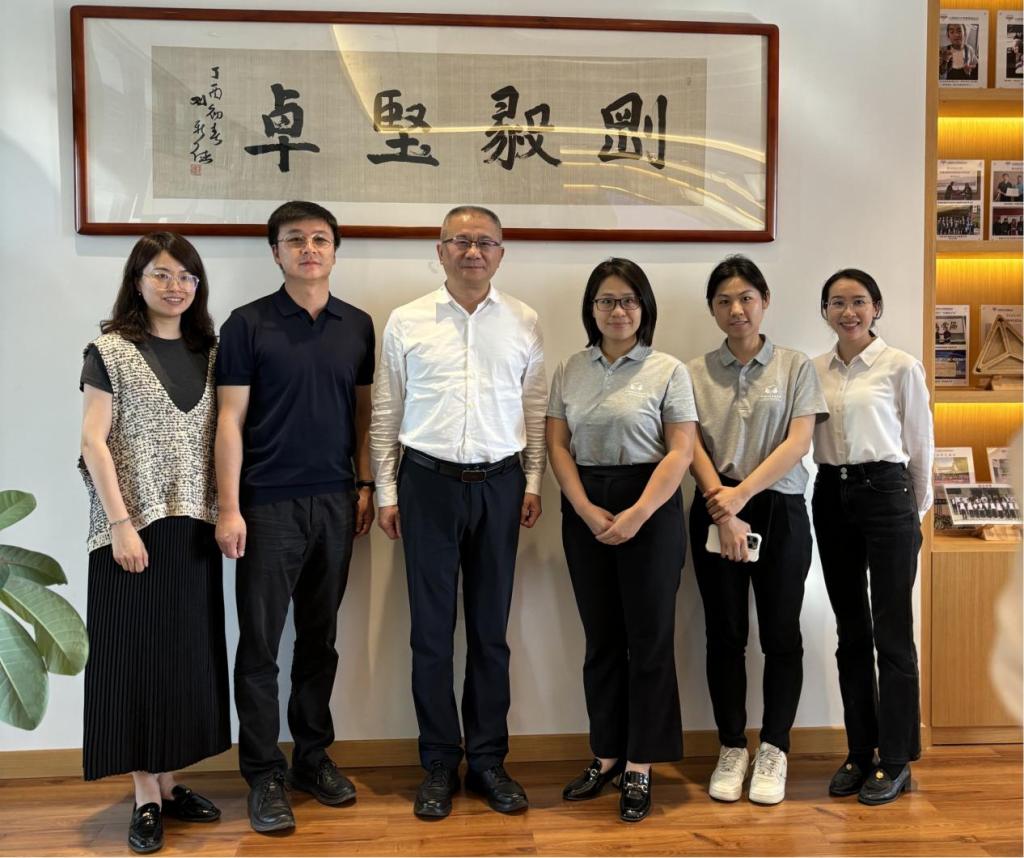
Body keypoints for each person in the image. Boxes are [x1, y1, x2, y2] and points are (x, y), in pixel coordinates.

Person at [370, 205, 546, 820]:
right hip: (427, 484)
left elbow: (534, 408)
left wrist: (532, 481)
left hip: (501, 484)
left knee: (490, 632)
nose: (473, 252)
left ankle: (490, 761)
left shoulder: (523, 320)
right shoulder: (407, 320)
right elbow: (387, 409)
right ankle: (440, 762)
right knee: (430, 633)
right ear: (440, 250)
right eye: (461, 241)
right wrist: (386, 492)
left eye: (485, 242)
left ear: (501, 253)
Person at [214, 201, 376, 833]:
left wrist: (364, 484)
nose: (309, 249)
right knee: (259, 645)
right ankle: (263, 773)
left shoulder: (357, 325)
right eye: (295, 239)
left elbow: (362, 415)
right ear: (275, 252)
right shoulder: (246, 324)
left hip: (336, 501)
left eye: (319, 239)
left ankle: (312, 757)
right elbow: (230, 420)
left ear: (335, 250)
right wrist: (230, 506)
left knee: (319, 640)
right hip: (266, 505)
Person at [79, 232, 229, 854]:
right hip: (130, 529)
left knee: (184, 658)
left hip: (194, 525)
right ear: (137, 281)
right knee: (135, 660)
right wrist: (121, 524)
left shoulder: (212, 353)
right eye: (161, 274)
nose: (175, 286)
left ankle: (168, 783)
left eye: (186, 276)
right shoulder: (110, 350)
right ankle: (145, 793)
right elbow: (93, 441)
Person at [546, 259, 697, 823]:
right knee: (601, 639)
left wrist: (638, 514)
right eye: (606, 300)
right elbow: (557, 446)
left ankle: (640, 763)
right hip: (585, 505)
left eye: (629, 300)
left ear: (645, 308)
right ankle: (606, 753)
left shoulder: (667, 369)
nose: (618, 311)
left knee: (649, 640)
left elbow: (680, 450)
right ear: (591, 309)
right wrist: (586, 509)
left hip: (650, 506)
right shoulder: (570, 368)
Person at [686, 255, 828, 806]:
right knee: (723, 634)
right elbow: (690, 444)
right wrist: (724, 510)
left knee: (780, 633)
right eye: (724, 300)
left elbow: (799, 442)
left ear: (764, 301)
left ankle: (774, 747)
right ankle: (731, 746)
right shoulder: (693, 372)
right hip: (714, 505)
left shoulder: (794, 366)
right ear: (712, 309)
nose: (736, 309)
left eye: (746, 297)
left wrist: (740, 497)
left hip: (779, 509)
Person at [811, 268, 934, 806]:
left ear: (876, 308)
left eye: (858, 301)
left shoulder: (900, 365)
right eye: (837, 302)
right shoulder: (813, 369)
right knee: (852, 632)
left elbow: (920, 442)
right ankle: (860, 751)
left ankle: (897, 758)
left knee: (893, 632)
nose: (848, 312)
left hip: (887, 493)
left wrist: (915, 511)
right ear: (825, 311)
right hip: (830, 494)